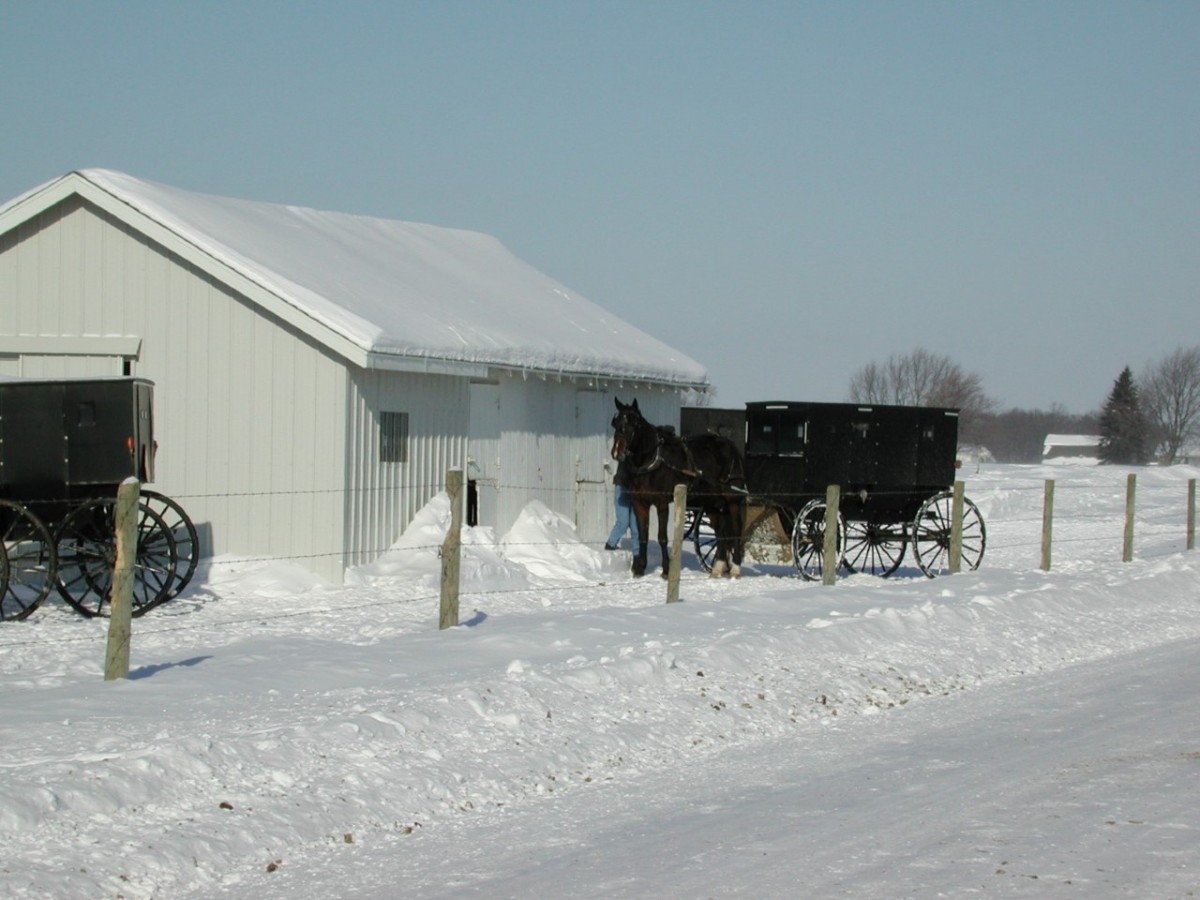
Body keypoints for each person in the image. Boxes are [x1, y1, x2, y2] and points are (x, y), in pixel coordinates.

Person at [605, 458, 640, 550]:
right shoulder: (625, 448)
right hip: (622, 486)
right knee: (623, 523)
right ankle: (610, 545)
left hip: (637, 489)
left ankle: (637, 553)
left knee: (635, 525)